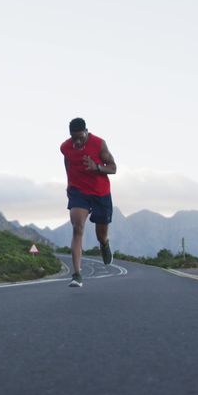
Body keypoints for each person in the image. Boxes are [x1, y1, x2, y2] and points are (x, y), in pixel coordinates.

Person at [60, 117, 116, 287]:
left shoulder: (99, 144)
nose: (77, 142)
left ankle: (104, 244)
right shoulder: (65, 147)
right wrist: (69, 185)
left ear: (86, 131)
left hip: (100, 192)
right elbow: (68, 162)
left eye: (80, 137)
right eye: (73, 138)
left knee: (101, 235)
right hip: (78, 192)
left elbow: (113, 168)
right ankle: (77, 274)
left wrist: (97, 167)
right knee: (77, 228)